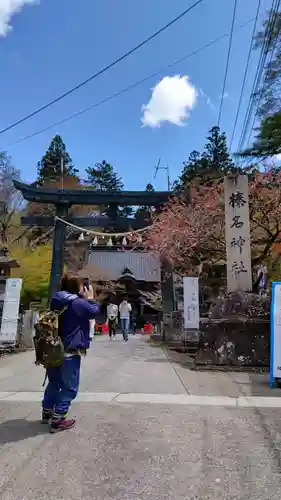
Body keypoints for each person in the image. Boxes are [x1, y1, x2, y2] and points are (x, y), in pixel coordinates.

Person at [41, 274, 99, 433]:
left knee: (54, 382)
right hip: (69, 350)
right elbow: (94, 311)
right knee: (69, 387)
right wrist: (90, 297)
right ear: (77, 286)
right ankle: (58, 419)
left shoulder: (56, 299)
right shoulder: (78, 303)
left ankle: (47, 411)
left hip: (53, 349)